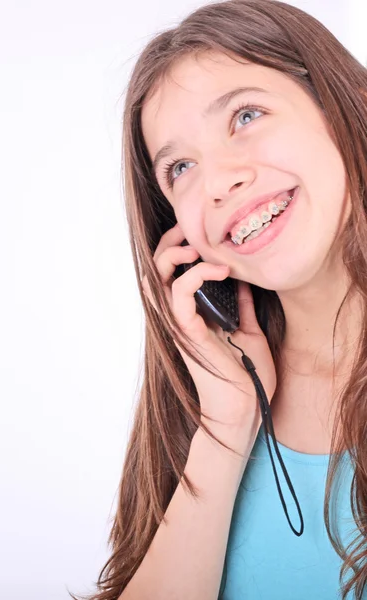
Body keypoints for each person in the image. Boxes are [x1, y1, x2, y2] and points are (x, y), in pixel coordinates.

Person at [70, 1, 367, 598]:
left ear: (336, 105)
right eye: (180, 167)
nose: (218, 182)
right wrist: (225, 426)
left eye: (246, 115)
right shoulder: (207, 405)